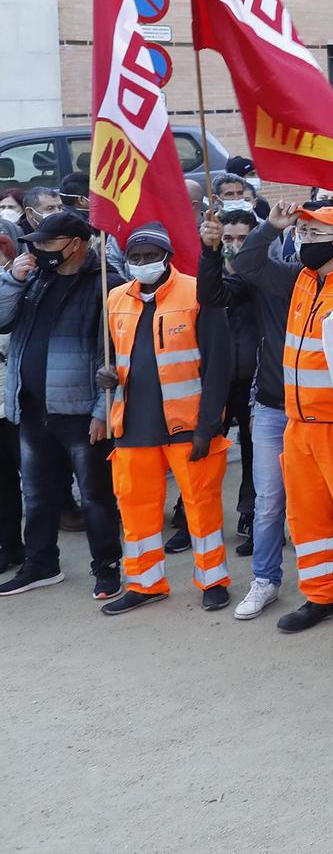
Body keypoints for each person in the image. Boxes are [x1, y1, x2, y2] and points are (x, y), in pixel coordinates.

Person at [227, 203, 333, 639]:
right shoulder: (301, 278)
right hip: (298, 421)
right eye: (300, 232)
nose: (302, 240)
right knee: (308, 518)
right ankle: (323, 595)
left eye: (311, 233)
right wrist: (271, 227)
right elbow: (246, 264)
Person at [94, 224, 236, 615]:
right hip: (133, 424)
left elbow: (219, 364)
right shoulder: (115, 297)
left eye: (149, 257)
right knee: (136, 509)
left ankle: (213, 581)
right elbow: (107, 356)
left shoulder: (197, 293)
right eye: (134, 258)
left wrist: (210, 424)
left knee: (201, 505)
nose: (141, 264)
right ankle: (145, 583)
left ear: (167, 257)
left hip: (187, 424)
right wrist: (105, 375)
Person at [0, 211, 122, 598]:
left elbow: (116, 356)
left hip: (82, 412)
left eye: (47, 243)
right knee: (37, 493)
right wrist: (12, 280)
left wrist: (103, 411)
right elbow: (2, 320)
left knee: (95, 497)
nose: (37, 249)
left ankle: (107, 567)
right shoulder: (34, 278)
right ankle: (40, 564)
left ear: (75, 244)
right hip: (33, 406)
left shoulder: (106, 283)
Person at [200, 207, 294, 619]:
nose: (236, 247)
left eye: (314, 234)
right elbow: (213, 293)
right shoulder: (255, 277)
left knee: (326, 500)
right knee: (269, 502)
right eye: (230, 240)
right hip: (271, 404)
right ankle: (265, 579)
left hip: (320, 408)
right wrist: (209, 252)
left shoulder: (297, 276)